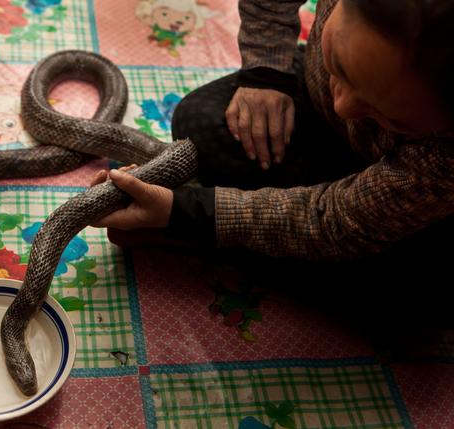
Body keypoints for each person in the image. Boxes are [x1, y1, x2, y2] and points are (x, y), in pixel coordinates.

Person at [91, 0, 454, 332]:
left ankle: (206, 233)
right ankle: (237, 231)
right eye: (342, 66)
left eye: (394, 119)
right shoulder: (349, 96)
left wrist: (182, 213)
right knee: (199, 122)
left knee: (411, 307)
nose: (345, 107)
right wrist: (267, 73)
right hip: (313, 107)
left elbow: (338, 219)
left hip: (411, 204)